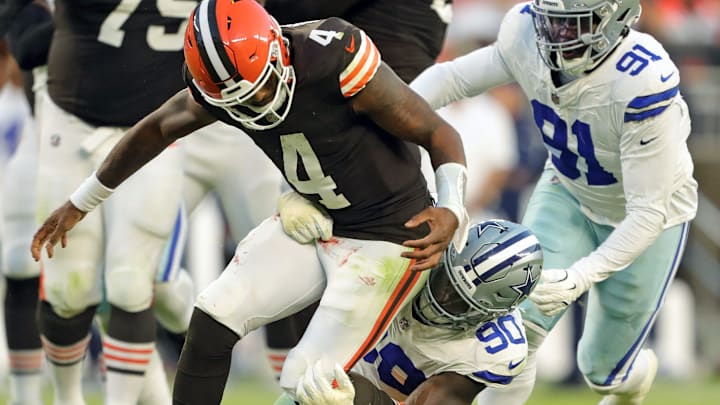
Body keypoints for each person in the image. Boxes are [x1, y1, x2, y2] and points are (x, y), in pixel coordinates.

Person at [31, 1, 469, 404]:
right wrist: (81, 201)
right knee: (212, 319)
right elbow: (156, 129)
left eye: (259, 92)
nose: (255, 106)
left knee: (310, 382)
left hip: (389, 237)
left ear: (278, 51)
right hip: (319, 221)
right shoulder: (226, 84)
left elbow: (437, 133)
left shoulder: (332, 56)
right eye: (238, 102)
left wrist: (452, 207)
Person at [408, 1, 698, 404]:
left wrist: (582, 275)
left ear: (615, 18)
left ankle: (628, 383)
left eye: (573, 24)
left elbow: (648, 211)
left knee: (602, 370)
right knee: (513, 333)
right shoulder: (524, 29)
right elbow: (452, 78)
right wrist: (390, 115)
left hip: (649, 217)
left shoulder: (644, 79)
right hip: (567, 193)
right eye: (553, 21)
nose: (558, 34)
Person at [259, 0, 452, 379]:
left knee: (323, 252)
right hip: (376, 75)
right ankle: (306, 383)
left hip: (380, 81)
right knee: (299, 253)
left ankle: (330, 381)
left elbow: (288, 15)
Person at [277, 219, 544, 405]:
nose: (441, 298)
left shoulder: (492, 350)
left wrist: (360, 400)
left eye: (457, 301)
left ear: (489, 314)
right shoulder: (423, 235)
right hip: (330, 377)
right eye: (444, 281)